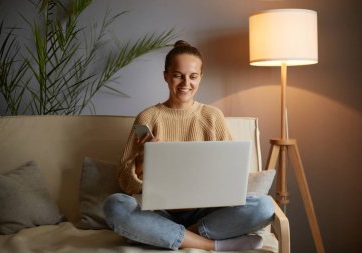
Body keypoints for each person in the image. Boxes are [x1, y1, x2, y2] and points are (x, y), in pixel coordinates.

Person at [103, 40, 274, 251]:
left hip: (205, 212)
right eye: (177, 75)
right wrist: (142, 160)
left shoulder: (212, 117)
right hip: (158, 212)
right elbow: (125, 184)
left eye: (193, 76)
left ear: (201, 77)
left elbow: (233, 178)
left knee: (263, 205)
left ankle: (165, 234)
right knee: (115, 205)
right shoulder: (147, 117)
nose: (186, 83)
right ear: (165, 75)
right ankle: (211, 244)